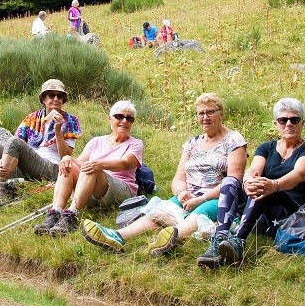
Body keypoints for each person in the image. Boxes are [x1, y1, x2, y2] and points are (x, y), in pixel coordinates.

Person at [83, 93, 245, 257]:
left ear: (221, 113)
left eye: (210, 112)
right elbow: (178, 178)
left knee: (201, 212)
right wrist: (181, 193)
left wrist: (201, 198)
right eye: (201, 113)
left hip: (219, 199)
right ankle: (117, 236)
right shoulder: (192, 143)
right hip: (189, 195)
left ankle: (171, 238)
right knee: (158, 213)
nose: (205, 117)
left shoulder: (233, 140)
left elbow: (233, 180)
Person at [198, 98, 305, 269]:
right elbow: (253, 169)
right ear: (275, 123)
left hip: (294, 209)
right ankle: (219, 239)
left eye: (294, 119)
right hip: (263, 204)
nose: (288, 124)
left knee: (263, 186)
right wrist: (248, 181)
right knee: (230, 181)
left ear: (302, 122)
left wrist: (274, 185)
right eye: (283, 120)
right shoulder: (266, 147)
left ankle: (239, 240)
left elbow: (299, 174)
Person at [0, 79, 81, 203]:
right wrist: (3, 162)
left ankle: (0, 189)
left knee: (14, 142)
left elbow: (66, 155)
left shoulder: (70, 121)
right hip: (26, 166)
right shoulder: (32, 118)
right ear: (44, 99)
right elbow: (14, 145)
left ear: (64, 99)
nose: (56, 99)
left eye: (60, 96)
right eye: (52, 95)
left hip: (51, 168)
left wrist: (58, 130)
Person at [39, 100, 144, 237]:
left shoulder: (136, 144)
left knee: (92, 167)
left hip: (122, 187)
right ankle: (55, 212)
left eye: (129, 118)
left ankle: (71, 214)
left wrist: (100, 165)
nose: (124, 121)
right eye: (119, 116)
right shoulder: (96, 141)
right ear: (110, 119)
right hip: (93, 184)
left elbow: (125, 163)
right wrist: (67, 159)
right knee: (69, 165)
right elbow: (79, 162)